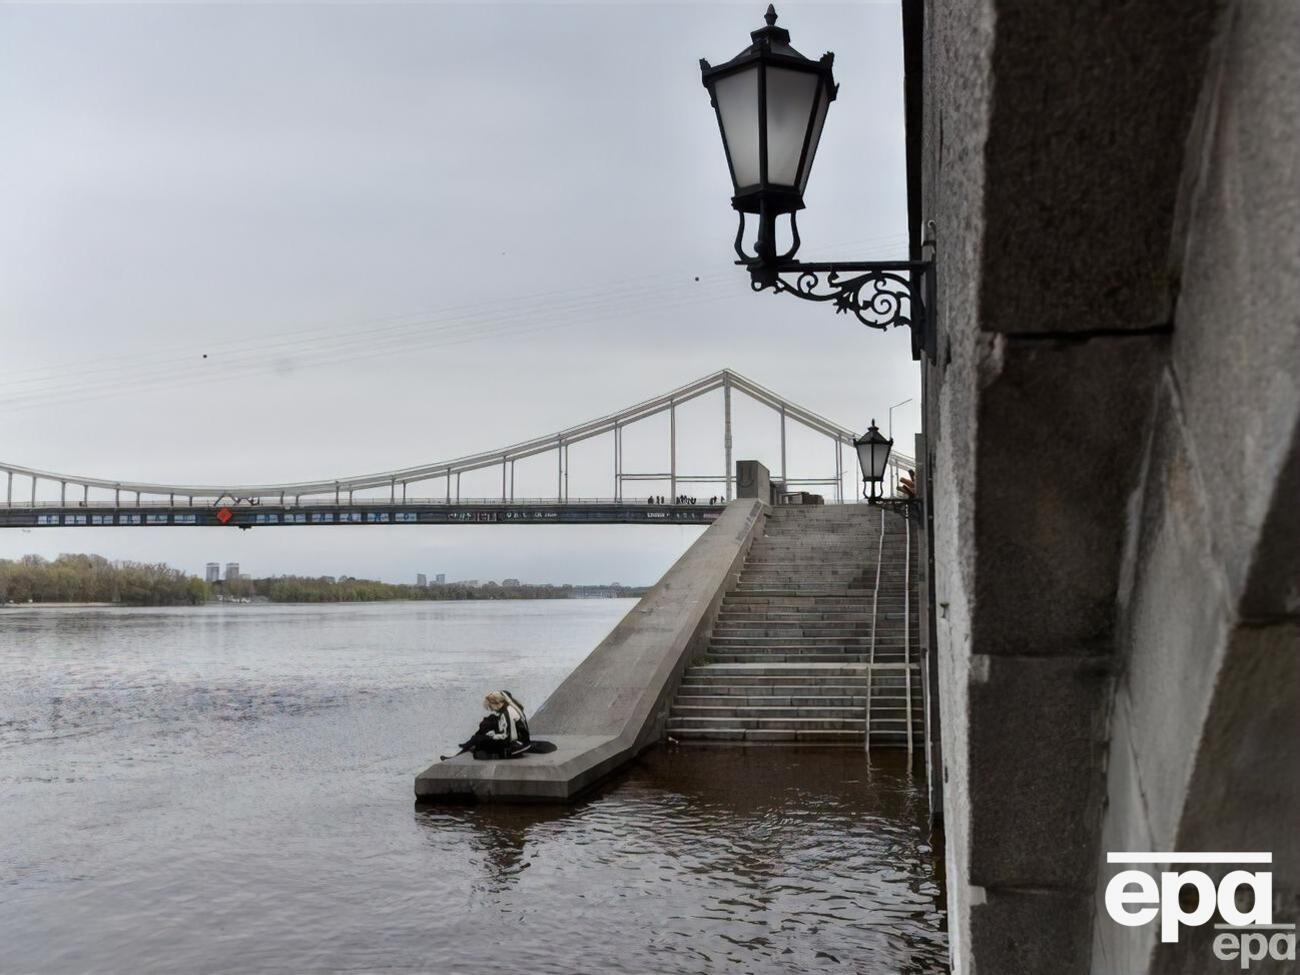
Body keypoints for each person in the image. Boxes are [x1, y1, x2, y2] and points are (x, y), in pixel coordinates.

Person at [458, 690, 530, 758]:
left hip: (515, 746)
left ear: (496, 703)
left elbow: (508, 737)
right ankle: (469, 746)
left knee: (479, 740)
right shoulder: (509, 708)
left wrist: (492, 736)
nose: (491, 709)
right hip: (520, 743)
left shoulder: (506, 714)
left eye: (491, 706)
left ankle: (467, 747)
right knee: (480, 737)